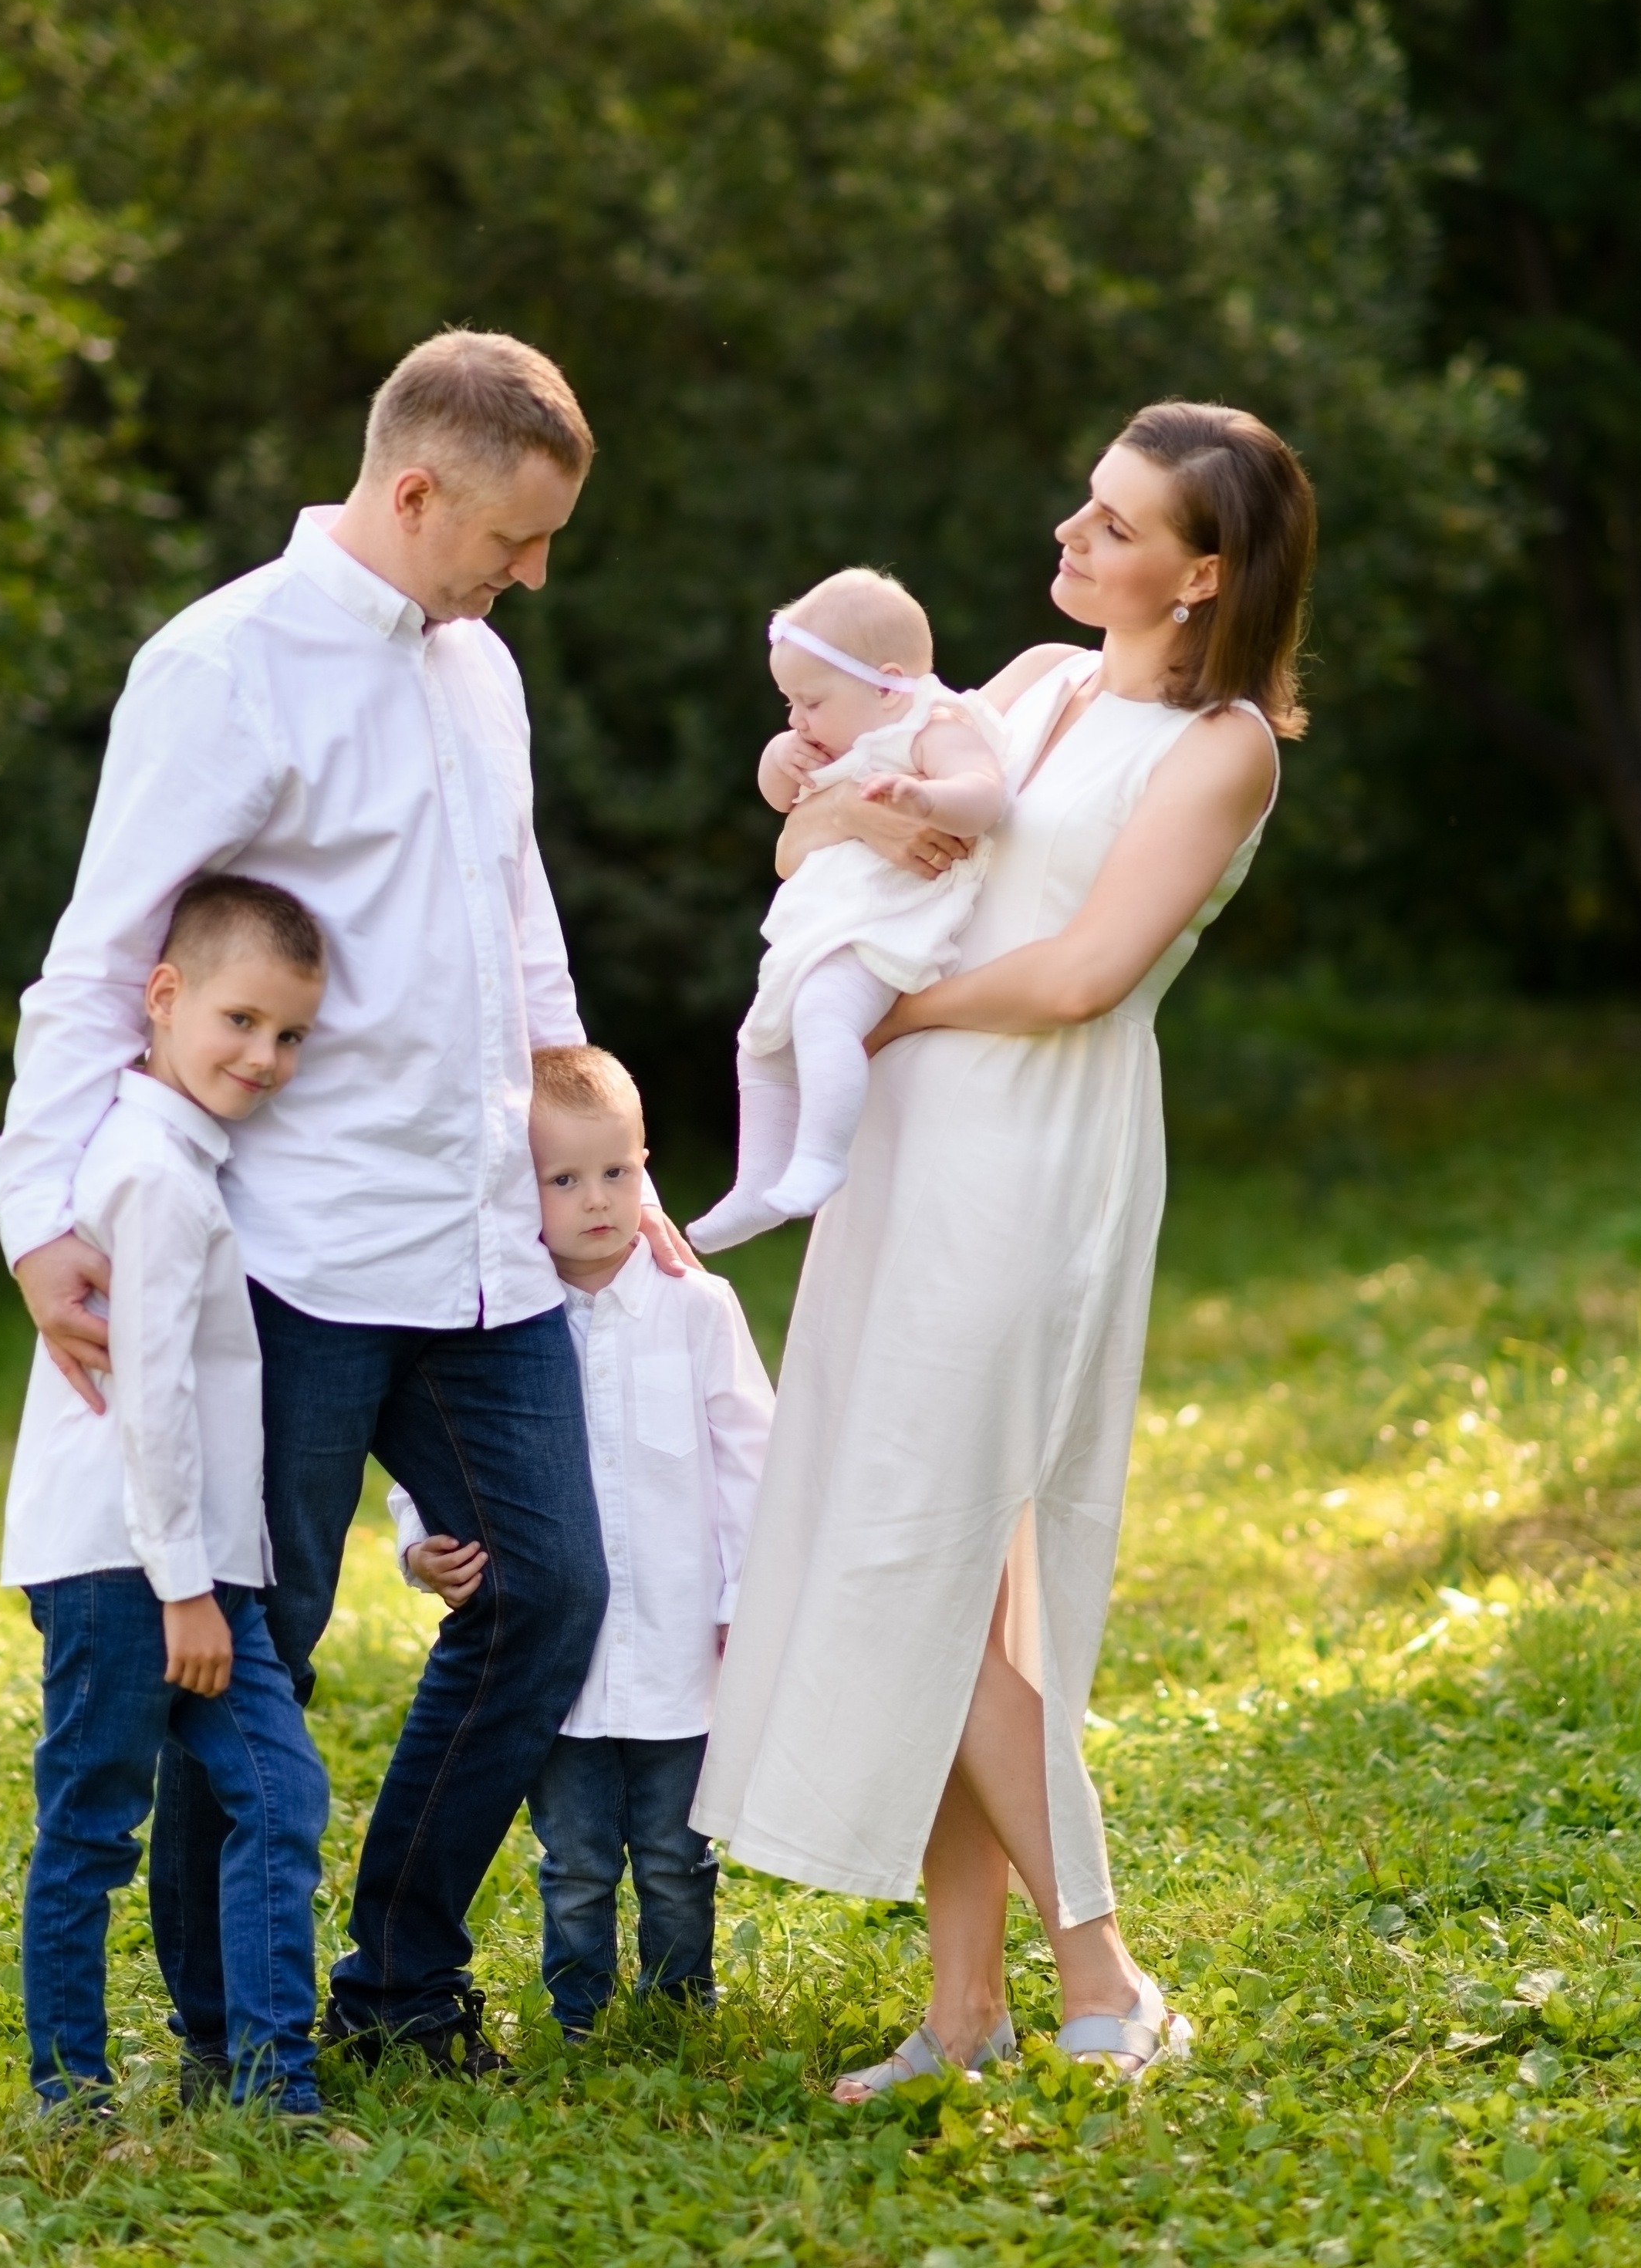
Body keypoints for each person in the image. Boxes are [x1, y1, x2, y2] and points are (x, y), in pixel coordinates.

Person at [0, 329, 695, 2084]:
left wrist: (599, 1143)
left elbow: (520, 920)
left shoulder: (481, 668)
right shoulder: (222, 665)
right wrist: (37, 1211)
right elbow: (107, 953)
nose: (531, 572)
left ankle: (395, 1979)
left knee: (545, 1588)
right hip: (284, 1251)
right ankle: (232, 2022)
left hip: (482, 1242)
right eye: (514, 537)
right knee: (251, 1652)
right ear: (412, 490)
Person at [694, 401, 1315, 2094]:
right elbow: (830, 837)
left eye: (1111, 527)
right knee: (932, 1562)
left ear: (1197, 578)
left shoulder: (1224, 748)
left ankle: (1098, 1968)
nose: (1069, 537)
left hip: (1033, 1157)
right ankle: (960, 2012)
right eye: (1083, 506)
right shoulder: (1026, 692)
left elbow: (1078, 974)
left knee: (940, 1563)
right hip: (911, 1150)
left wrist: (888, 1022)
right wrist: (811, 805)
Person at [2, 872, 332, 2115]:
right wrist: (187, 1590)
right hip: (121, 1562)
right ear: (166, 997)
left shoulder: (185, 1160)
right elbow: (149, 1397)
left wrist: (211, 1580)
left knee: (281, 1793)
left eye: (290, 1034)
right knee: (92, 1822)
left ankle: (268, 2085)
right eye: (240, 1021)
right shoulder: (149, 1170)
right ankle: (69, 2094)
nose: (264, 1055)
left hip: (203, 1568)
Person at [392, 1046, 773, 2038]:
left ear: (647, 1166)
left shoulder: (697, 1308)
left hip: (683, 1648)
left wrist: (744, 1598)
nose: (595, 1200)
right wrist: (419, 1545)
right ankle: (580, 2016)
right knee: (574, 1862)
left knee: (676, 1854)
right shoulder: (504, 1325)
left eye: (617, 1172)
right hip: (560, 1671)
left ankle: (681, 2005)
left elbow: (750, 1459)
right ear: (517, 1192)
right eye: (562, 1180)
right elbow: (432, 1448)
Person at [689, 569, 1008, 1255]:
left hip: (892, 919)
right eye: (788, 706)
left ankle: (821, 1157)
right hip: (826, 923)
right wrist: (781, 757)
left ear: (889, 687)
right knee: (760, 1042)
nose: (798, 719)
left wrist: (929, 799)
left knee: (822, 1017)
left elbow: (986, 794)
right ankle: (755, 1185)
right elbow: (781, 801)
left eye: (809, 702)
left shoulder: (932, 724)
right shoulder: (837, 741)